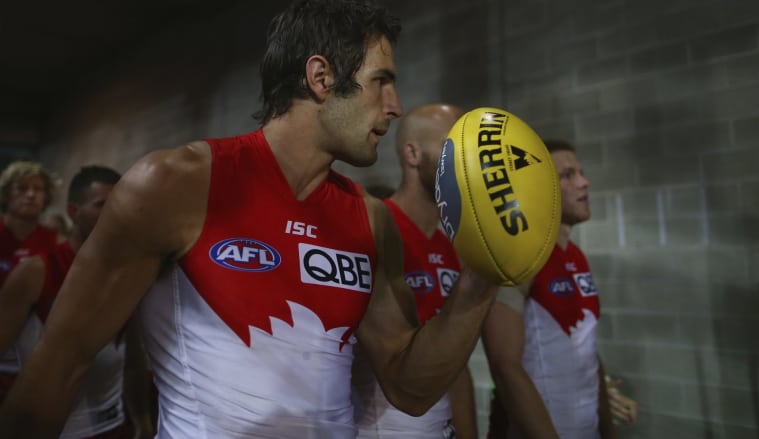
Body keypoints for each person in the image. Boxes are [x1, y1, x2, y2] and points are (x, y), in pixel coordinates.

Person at [0, 1, 497, 437]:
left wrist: (481, 278)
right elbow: (60, 364)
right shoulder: (177, 183)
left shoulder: (371, 220)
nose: (395, 106)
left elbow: (410, 388)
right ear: (321, 77)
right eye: (381, 82)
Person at [352, 104, 477, 439]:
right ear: (412, 153)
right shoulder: (374, 228)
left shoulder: (453, 244)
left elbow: (454, 362)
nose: (469, 161)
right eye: (455, 147)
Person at [0, 165, 152, 438]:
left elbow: (132, 359)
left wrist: (141, 418)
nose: (115, 213)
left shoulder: (132, 271)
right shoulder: (36, 271)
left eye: (122, 204)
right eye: (101, 205)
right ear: (73, 212)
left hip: (111, 426)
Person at [482, 139, 616, 439]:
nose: (585, 182)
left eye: (581, 172)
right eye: (568, 175)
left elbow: (587, 351)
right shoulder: (521, 257)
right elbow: (505, 367)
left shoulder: (576, 256)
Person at [0, 161, 60, 402]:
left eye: (38, 189)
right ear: (6, 194)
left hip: (35, 359)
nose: (31, 195)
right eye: (21, 188)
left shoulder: (55, 241)